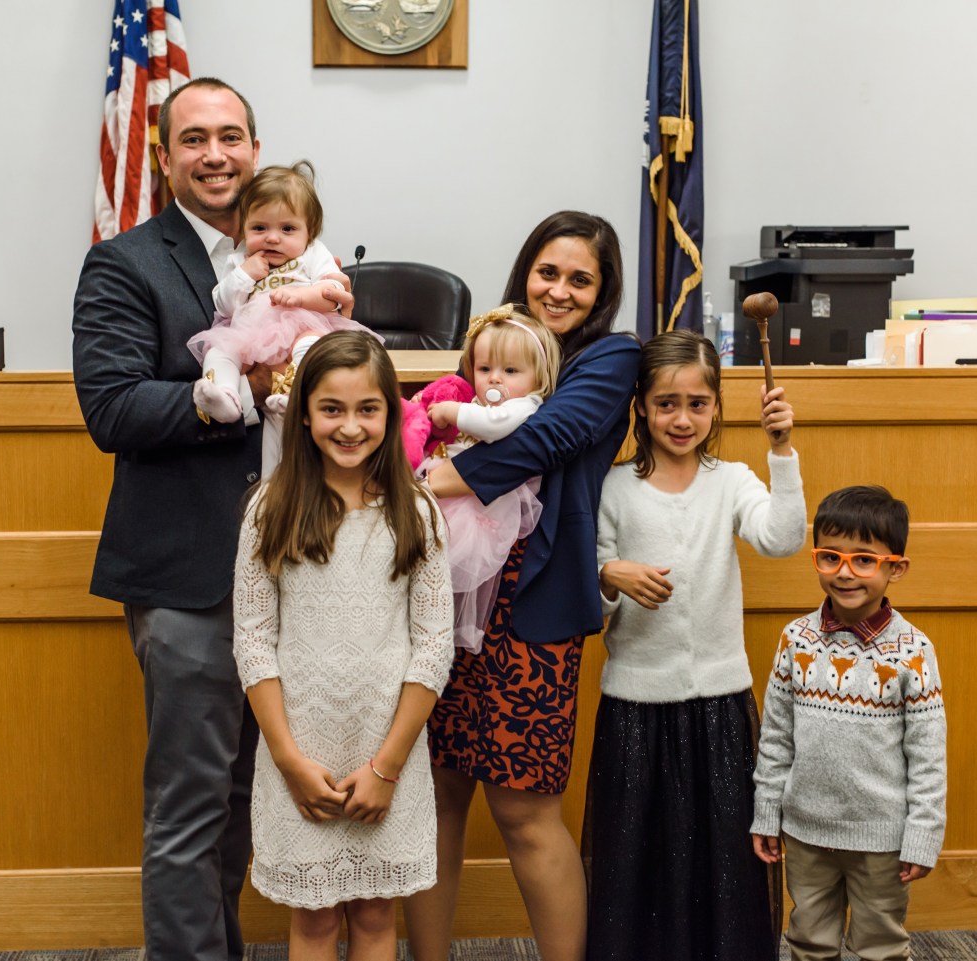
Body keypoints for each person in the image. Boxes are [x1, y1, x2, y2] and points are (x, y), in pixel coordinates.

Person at [71, 77, 350, 961]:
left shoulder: (298, 255)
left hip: (291, 577)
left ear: (255, 150)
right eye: (194, 139)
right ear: (163, 157)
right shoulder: (127, 263)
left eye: (232, 136)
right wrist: (230, 395)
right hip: (187, 576)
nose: (216, 153)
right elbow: (112, 408)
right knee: (189, 805)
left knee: (243, 796)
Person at [405, 211, 640, 961]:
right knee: (435, 798)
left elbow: (549, 433)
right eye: (548, 272)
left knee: (524, 809)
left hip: (531, 604)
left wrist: (448, 477)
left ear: (603, 293)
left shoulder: (609, 357)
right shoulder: (487, 347)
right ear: (524, 273)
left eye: (581, 278)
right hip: (439, 600)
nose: (560, 290)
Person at [233, 331, 454, 960]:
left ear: (391, 411)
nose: (350, 426)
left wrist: (386, 768)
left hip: (388, 751)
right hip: (299, 752)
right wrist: (288, 761)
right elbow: (252, 640)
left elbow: (434, 646)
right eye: (332, 408)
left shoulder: (417, 510)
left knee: (379, 916)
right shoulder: (269, 509)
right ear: (303, 413)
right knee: (314, 922)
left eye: (367, 409)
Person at [585, 329, 804, 960]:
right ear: (642, 408)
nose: (682, 419)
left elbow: (782, 538)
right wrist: (610, 574)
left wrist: (781, 450)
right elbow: (591, 588)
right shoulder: (614, 486)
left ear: (717, 408)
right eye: (666, 403)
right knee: (637, 864)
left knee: (723, 863)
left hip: (720, 708)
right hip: (634, 708)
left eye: (698, 403)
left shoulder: (731, 479)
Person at [751, 485, 947, 961]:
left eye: (864, 560)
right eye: (830, 557)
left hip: (882, 837)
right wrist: (766, 812)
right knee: (808, 937)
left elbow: (927, 755)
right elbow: (776, 738)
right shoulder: (795, 640)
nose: (845, 572)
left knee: (879, 942)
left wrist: (922, 835)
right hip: (806, 831)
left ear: (894, 568)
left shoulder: (913, 651)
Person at [415, 304, 562, 652]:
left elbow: (492, 429)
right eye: (484, 368)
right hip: (447, 493)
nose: (495, 378)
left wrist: (454, 412)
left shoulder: (526, 405)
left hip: (479, 507)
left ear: (538, 378)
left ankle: (438, 634)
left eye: (510, 370)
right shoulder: (481, 403)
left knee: (446, 576)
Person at [187, 160, 375, 428]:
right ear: (244, 227)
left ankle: (303, 392)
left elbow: (333, 292)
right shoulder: (241, 257)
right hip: (249, 333)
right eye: (259, 228)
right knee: (218, 351)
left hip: (301, 323)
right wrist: (244, 275)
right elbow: (224, 307)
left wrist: (302, 298)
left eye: (287, 229)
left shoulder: (313, 252)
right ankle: (226, 397)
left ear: (309, 231)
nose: (272, 238)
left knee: (311, 345)